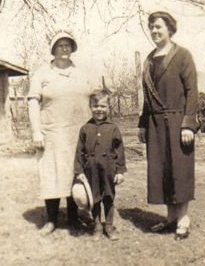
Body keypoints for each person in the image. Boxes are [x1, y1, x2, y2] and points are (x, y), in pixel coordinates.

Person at [138, 11, 199, 240]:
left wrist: (188, 125)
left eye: (159, 27)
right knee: (162, 170)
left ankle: (183, 218)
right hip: (155, 124)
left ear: (170, 29)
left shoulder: (183, 55)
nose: (154, 31)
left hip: (177, 122)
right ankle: (171, 218)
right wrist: (143, 124)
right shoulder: (149, 59)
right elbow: (147, 97)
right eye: (152, 27)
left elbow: (192, 92)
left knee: (180, 171)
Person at [28, 31, 90, 236]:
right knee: (51, 174)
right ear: (53, 49)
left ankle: (74, 217)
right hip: (52, 133)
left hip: (77, 132)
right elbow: (33, 103)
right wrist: (36, 131)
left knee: (75, 173)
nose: (64, 48)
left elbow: (95, 99)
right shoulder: (42, 74)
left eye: (68, 45)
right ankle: (51, 220)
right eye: (60, 45)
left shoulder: (81, 72)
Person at [74, 89, 127, 240]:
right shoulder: (85, 129)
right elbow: (79, 151)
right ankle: (97, 226)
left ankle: (109, 225)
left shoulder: (113, 128)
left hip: (109, 168)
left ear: (108, 108)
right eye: (95, 106)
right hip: (91, 169)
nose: (99, 109)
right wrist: (79, 171)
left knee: (108, 196)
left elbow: (120, 150)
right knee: (94, 197)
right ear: (90, 107)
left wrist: (120, 171)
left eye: (103, 106)